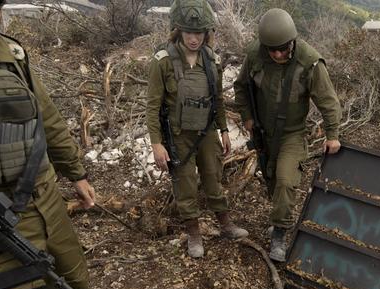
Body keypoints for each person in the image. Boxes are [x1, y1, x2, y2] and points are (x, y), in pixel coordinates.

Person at [0, 0, 133, 289]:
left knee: (72, 276)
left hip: (43, 195)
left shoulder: (10, 53)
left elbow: (47, 117)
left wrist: (76, 172)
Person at [234, 8, 342, 262]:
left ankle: (279, 234)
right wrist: (247, 116)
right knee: (271, 180)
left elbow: (328, 101)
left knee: (285, 180)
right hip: (263, 131)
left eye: (283, 48)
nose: (278, 54)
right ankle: (279, 217)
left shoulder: (309, 62)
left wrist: (332, 134)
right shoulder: (255, 55)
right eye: (272, 50)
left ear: (292, 41)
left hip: (292, 134)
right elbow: (241, 87)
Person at [146, 0, 248, 258]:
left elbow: (218, 99)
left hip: (207, 131)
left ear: (207, 33)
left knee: (214, 177)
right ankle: (193, 233)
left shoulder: (211, 60)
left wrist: (224, 130)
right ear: (178, 30)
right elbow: (152, 106)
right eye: (189, 32)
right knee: (186, 184)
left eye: (199, 33)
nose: (194, 38)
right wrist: (156, 144)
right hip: (179, 134)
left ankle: (225, 224)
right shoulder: (163, 61)